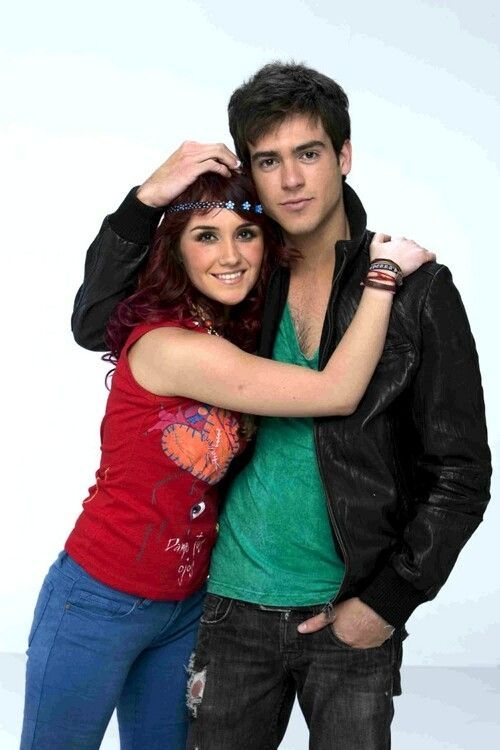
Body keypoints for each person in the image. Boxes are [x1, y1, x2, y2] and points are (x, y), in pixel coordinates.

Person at [70, 63, 491, 750]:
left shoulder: (416, 291)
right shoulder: (241, 277)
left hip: (350, 612)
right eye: (268, 160)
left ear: (344, 156)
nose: (291, 179)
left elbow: (461, 472)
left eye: (309, 153)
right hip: (229, 609)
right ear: (250, 173)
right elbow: (98, 324)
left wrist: (390, 600)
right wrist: (144, 201)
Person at [21, 166, 431, 750]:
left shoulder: (230, 332)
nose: (230, 254)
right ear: (176, 251)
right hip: (99, 597)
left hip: (187, 606)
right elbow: (337, 392)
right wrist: (383, 276)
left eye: (246, 233)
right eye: (206, 236)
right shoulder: (170, 345)